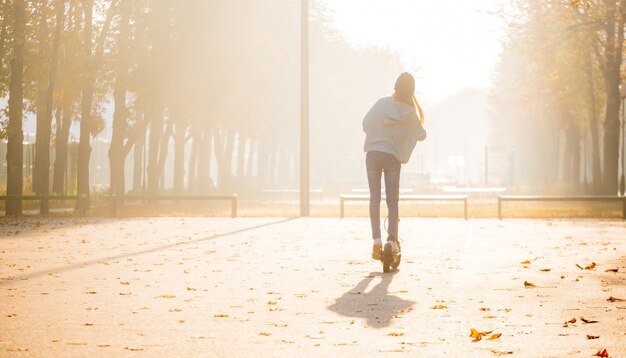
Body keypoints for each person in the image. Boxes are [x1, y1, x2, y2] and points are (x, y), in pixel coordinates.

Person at [362, 72, 427, 263]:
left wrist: (379, 130)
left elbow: (365, 124)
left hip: (373, 154)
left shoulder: (381, 103)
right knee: (392, 200)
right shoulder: (410, 113)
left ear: (395, 86)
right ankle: (392, 241)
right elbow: (421, 135)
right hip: (392, 158)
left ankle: (376, 240)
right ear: (411, 91)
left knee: (374, 197)